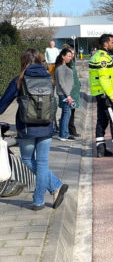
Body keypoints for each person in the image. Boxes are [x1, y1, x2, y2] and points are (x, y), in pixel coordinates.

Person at [0, 49, 69, 210]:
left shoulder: (19, 80)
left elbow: (2, 107)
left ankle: (46, 194)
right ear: (39, 60)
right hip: (46, 126)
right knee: (42, 163)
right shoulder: (49, 78)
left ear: (23, 61)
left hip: (26, 127)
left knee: (27, 160)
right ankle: (52, 190)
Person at [54, 48, 75, 141]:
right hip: (64, 94)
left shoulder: (65, 67)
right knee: (67, 113)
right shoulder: (61, 68)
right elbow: (62, 82)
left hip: (66, 93)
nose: (70, 58)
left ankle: (63, 133)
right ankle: (64, 134)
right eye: (68, 56)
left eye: (71, 56)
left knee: (65, 113)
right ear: (63, 56)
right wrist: (68, 95)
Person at [63, 45, 81, 138]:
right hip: (69, 92)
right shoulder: (66, 65)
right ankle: (68, 131)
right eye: (71, 54)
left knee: (72, 112)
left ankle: (71, 130)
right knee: (68, 112)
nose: (72, 56)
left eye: (73, 54)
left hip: (74, 92)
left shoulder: (72, 63)